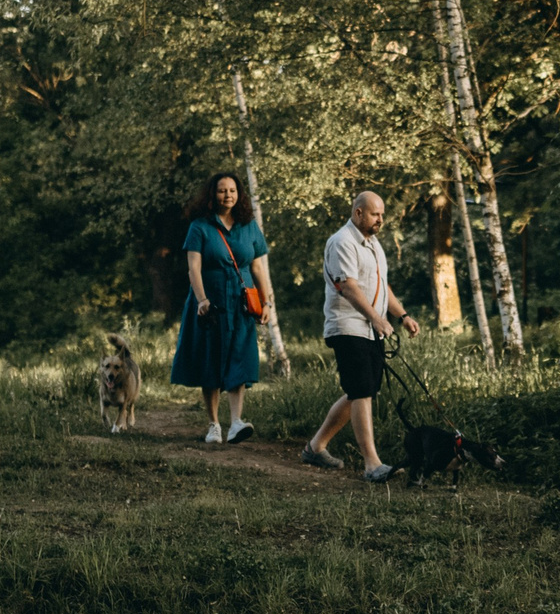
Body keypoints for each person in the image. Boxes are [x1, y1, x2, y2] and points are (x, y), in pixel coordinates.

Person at [301, 191, 418, 482]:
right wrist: (377, 318)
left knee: (361, 391)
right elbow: (349, 287)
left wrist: (401, 316)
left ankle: (315, 447)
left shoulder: (374, 244)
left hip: (370, 328)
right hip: (348, 326)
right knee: (362, 390)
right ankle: (372, 464)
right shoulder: (342, 242)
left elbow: (381, 285)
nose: (381, 220)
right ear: (358, 213)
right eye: (375, 214)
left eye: (382, 214)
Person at [173, 172, 276, 445]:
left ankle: (236, 423)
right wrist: (201, 299)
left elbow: (257, 267)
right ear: (212, 194)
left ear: (239, 194)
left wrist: (266, 303)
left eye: (232, 190)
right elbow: (193, 267)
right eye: (221, 191)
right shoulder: (200, 226)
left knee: (239, 357)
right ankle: (214, 424)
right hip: (211, 302)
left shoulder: (249, 225)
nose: (227, 195)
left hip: (241, 303)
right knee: (211, 358)